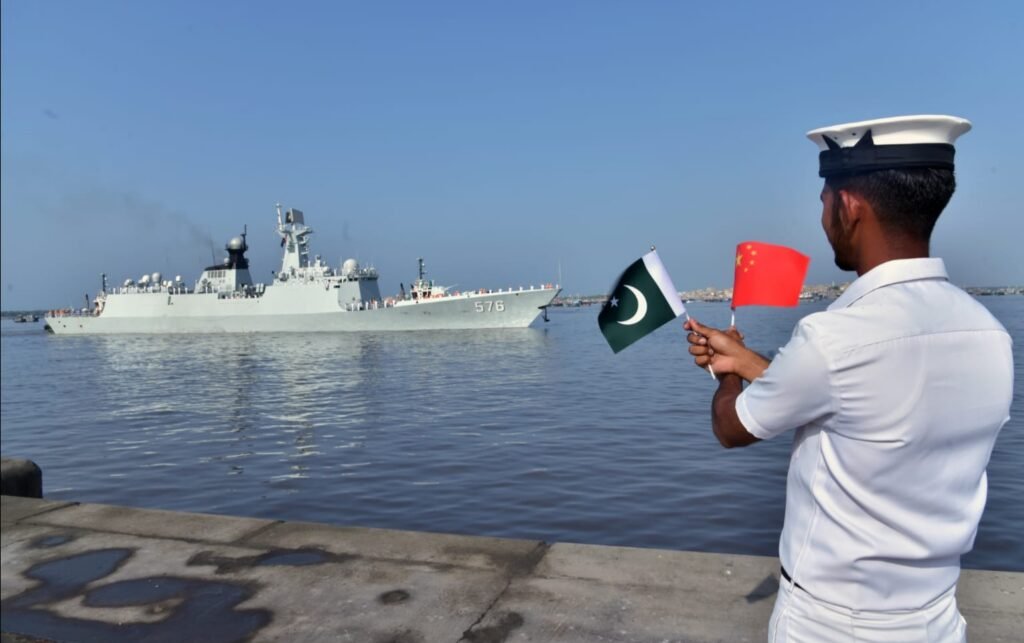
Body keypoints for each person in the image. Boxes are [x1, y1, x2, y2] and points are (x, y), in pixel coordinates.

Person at [684, 115, 1013, 642]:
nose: (822, 217)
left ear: (849, 207)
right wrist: (749, 362)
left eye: (823, 202)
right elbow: (870, 408)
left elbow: (733, 427)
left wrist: (725, 375)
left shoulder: (833, 339)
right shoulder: (990, 334)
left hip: (832, 626)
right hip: (937, 620)